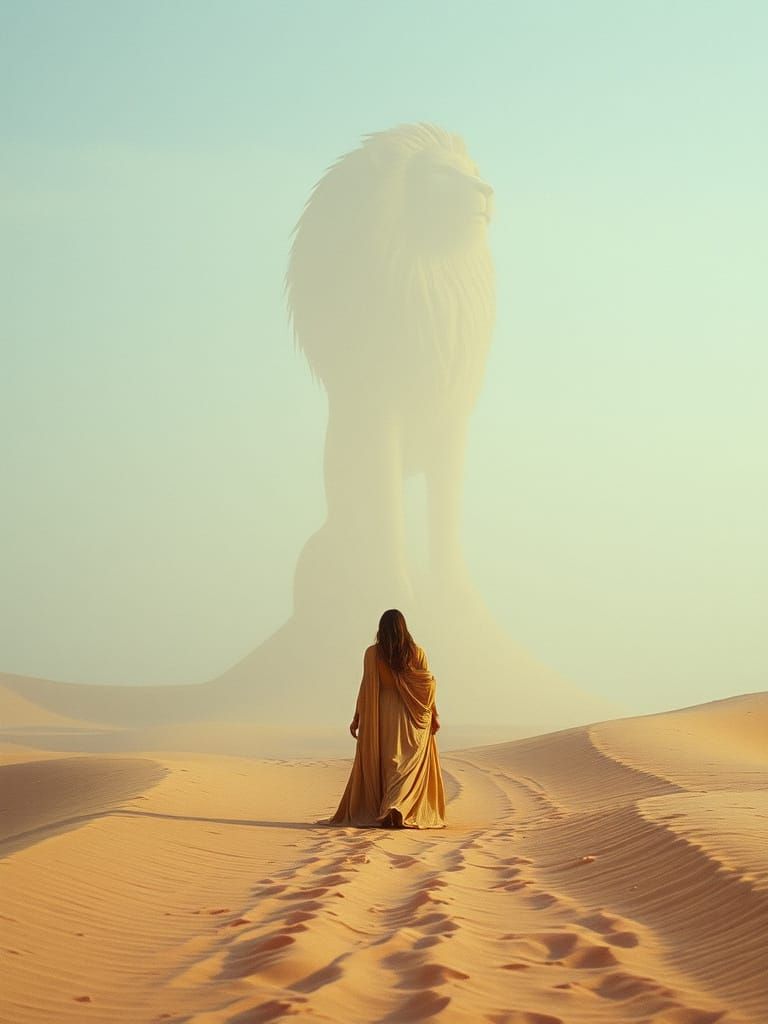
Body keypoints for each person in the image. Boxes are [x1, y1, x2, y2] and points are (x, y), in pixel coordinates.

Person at [329, 609, 446, 828]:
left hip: (381, 714)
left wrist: (358, 716)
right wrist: (435, 715)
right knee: (405, 763)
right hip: (410, 714)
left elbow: (366, 687)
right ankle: (397, 808)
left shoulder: (372, 654)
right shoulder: (416, 652)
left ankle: (393, 808)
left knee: (389, 762)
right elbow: (425, 688)